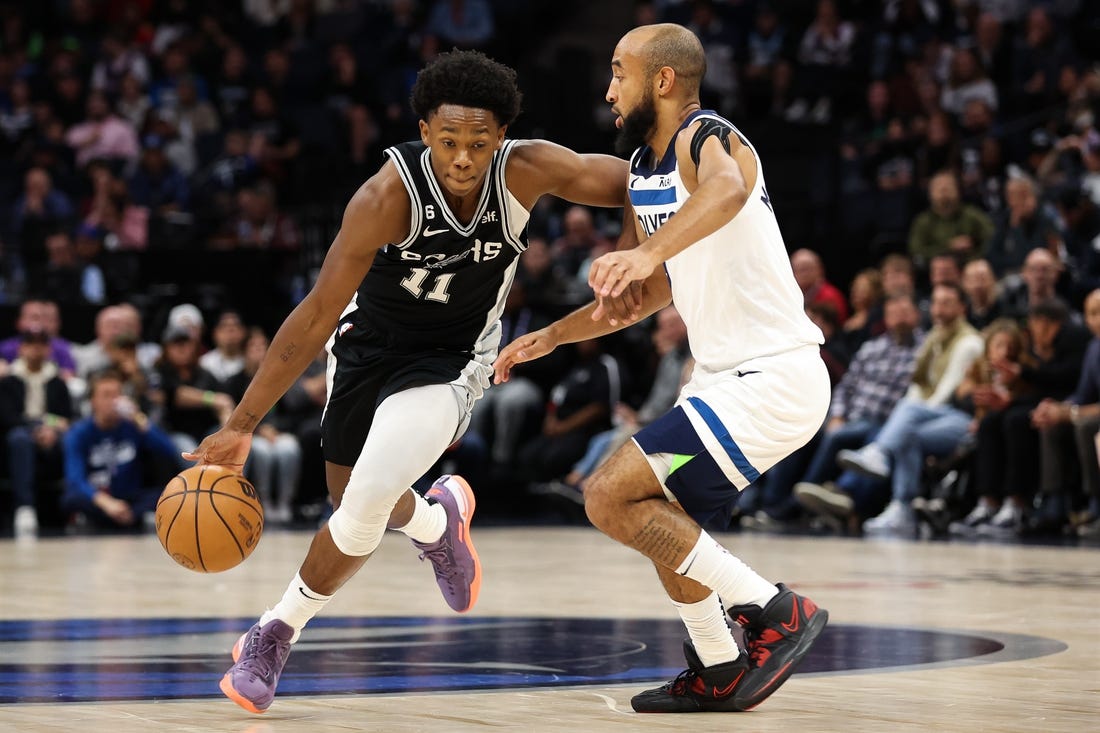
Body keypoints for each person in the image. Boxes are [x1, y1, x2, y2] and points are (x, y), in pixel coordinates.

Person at [183, 50, 630, 714]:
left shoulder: (527, 169)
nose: (462, 157)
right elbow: (314, 315)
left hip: (451, 360)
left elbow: (635, 181)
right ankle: (434, 520)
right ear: (424, 133)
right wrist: (243, 422)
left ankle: (273, 632)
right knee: (353, 497)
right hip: (366, 350)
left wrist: (630, 250)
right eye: (449, 141)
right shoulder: (384, 197)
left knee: (360, 501)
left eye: (479, 142)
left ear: (500, 137)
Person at [494, 24, 830, 714]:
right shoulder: (645, 172)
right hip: (721, 378)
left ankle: (776, 610)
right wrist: (552, 336)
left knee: (607, 493)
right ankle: (719, 664)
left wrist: (647, 254)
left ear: (664, 81)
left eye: (620, 73)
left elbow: (729, 192)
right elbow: (639, 298)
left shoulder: (709, 137)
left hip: (774, 373)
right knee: (659, 519)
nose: (609, 89)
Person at [61, 370, 180, 531]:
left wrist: (139, 418)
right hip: (98, 498)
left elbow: (169, 450)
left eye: (117, 395)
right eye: (106, 395)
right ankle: (106, 518)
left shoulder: (133, 425)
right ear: (93, 401)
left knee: (170, 494)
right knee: (71, 498)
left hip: (129, 497)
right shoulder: (79, 433)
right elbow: (75, 479)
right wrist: (106, 503)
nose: (113, 401)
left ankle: (131, 516)